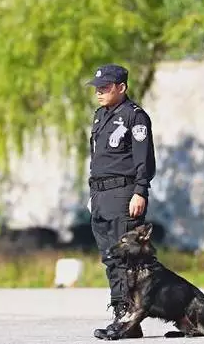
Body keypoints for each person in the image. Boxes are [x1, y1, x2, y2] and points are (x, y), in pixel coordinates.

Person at [85, 63, 157, 339]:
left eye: (105, 88)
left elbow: (144, 159)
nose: (99, 92)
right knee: (110, 259)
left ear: (121, 88)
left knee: (128, 259)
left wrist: (141, 191)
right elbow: (99, 161)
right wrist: (93, 195)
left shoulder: (134, 117)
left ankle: (130, 317)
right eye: (97, 88)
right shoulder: (99, 117)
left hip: (123, 194)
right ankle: (123, 317)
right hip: (101, 195)